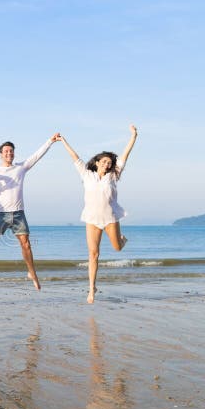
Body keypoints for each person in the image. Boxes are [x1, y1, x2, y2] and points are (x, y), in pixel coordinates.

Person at [56, 125, 138, 303]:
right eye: (104, 162)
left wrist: (133, 136)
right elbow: (75, 158)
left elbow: (125, 156)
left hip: (110, 219)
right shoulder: (87, 174)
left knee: (117, 248)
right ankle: (92, 289)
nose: (107, 164)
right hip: (92, 219)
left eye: (110, 163)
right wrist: (63, 141)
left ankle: (122, 239)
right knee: (93, 254)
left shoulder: (113, 176)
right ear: (97, 162)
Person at [0, 132, 60, 291]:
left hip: (18, 214)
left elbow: (37, 155)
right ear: (1, 154)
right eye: (6, 151)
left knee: (26, 245)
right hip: (0, 214)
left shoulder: (21, 167)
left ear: (13, 153)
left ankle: (32, 274)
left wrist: (50, 141)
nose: (9, 153)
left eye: (11, 151)